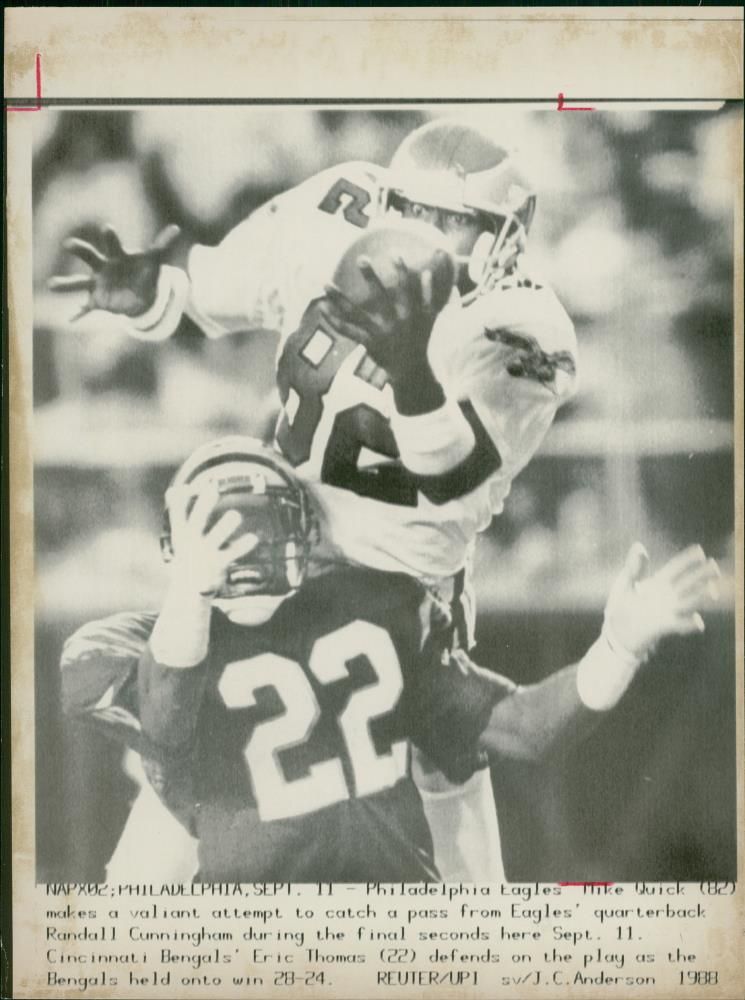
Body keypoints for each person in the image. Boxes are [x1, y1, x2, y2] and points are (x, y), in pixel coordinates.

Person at [52, 118, 577, 879]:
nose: (424, 241)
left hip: (404, 598)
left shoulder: (523, 331)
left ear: (503, 239)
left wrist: (415, 377)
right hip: (276, 562)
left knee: (460, 861)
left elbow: (451, 475)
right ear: (384, 200)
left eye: (455, 224)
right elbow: (211, 287)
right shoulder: (335, 208)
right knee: (183, 792)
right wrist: (149, 288)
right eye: (413, 212)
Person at [61, 437, 719, 882]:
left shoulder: (375, 607)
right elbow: (165, 727)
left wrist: (618, 646)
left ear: (306, 532)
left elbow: (524, 726)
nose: (245, 551)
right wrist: (191, 598)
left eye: (258, 524)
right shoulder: (120, 645)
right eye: (219, 531)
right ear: (174, 548)